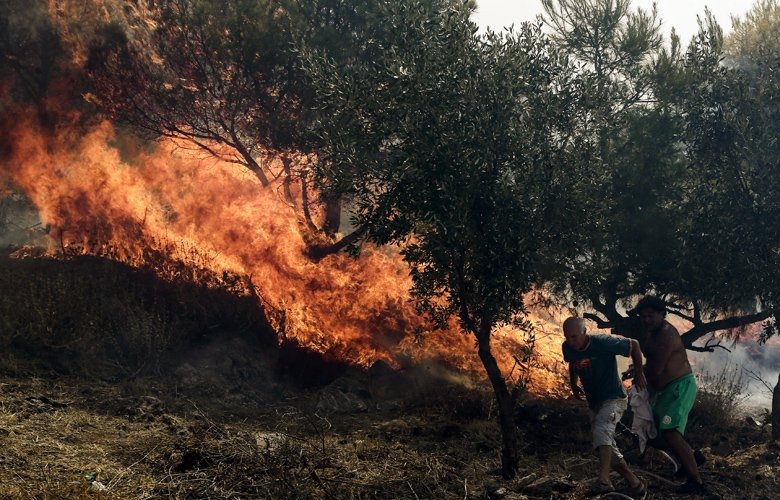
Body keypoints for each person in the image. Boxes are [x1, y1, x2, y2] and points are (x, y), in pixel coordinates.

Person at [562, 317, 647, 496]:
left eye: (574, 337)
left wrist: (639, 373)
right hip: (595, 402)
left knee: (602, 430)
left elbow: (635, 345)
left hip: (614, 398)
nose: (571, 341)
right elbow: (572, 362)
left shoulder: (602, 342)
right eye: (567, 337)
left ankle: (604, 481)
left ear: (584, 332)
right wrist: (573, 383)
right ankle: (635, 484)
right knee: (604, 446)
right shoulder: (567, 347)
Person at [635, 295, 707, 495]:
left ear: (661, 314)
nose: (646, 320)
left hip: (679, 388)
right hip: (665, 390)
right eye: (643, 316)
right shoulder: (653, 333)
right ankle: (692, 458)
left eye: (650, 315)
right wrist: (637, 369)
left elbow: (655, 369)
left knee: (670, 433)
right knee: (653, 433)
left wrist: (638, 372)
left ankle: (697, 483)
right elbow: (651, 365)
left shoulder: (666, 334)